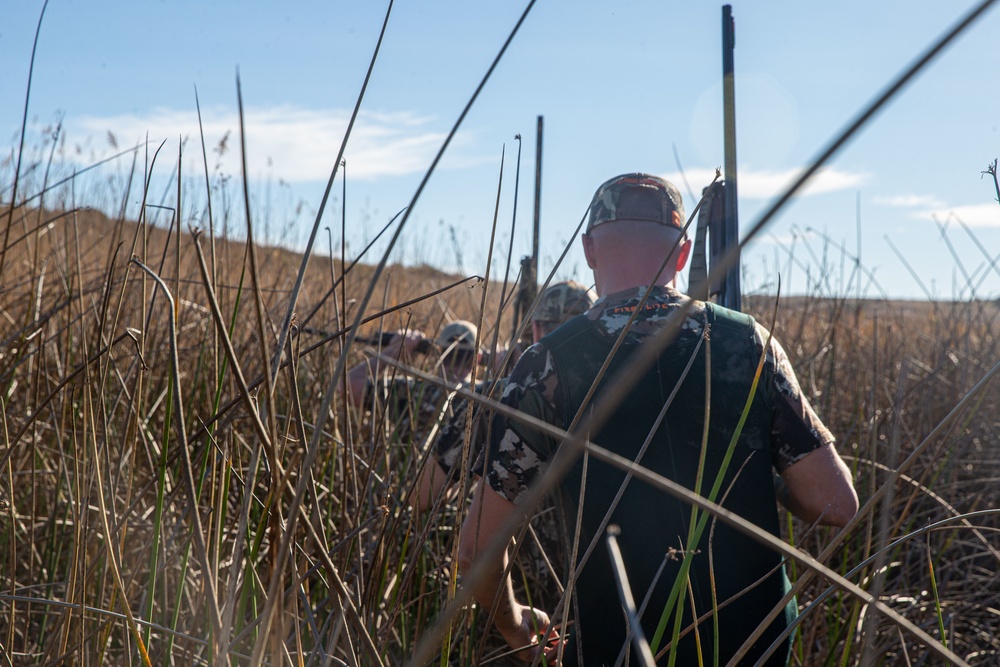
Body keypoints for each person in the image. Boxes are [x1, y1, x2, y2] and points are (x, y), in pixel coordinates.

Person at [458, 173, 859, 665]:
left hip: (616, 647)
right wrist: (760, 474)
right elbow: (835, 505)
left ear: (588, 250)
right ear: (684, 253)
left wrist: (517, 627)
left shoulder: (548, 366)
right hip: (755, 647)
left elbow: (478, 547)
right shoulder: (749, 344)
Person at [413, 282, 596, 511]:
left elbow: (422, 497)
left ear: (536, 329)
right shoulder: (626, 386)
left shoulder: (493, 396)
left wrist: (512, 380)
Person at [345, 320, 479, 448]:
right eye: (450, 355)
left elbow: (349, 386)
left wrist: (393, 352)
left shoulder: (413, 391)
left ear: (436, 353)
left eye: (463, 356)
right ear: (477, 358)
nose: (455, 364)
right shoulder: (487, 397)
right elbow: (349, 389)